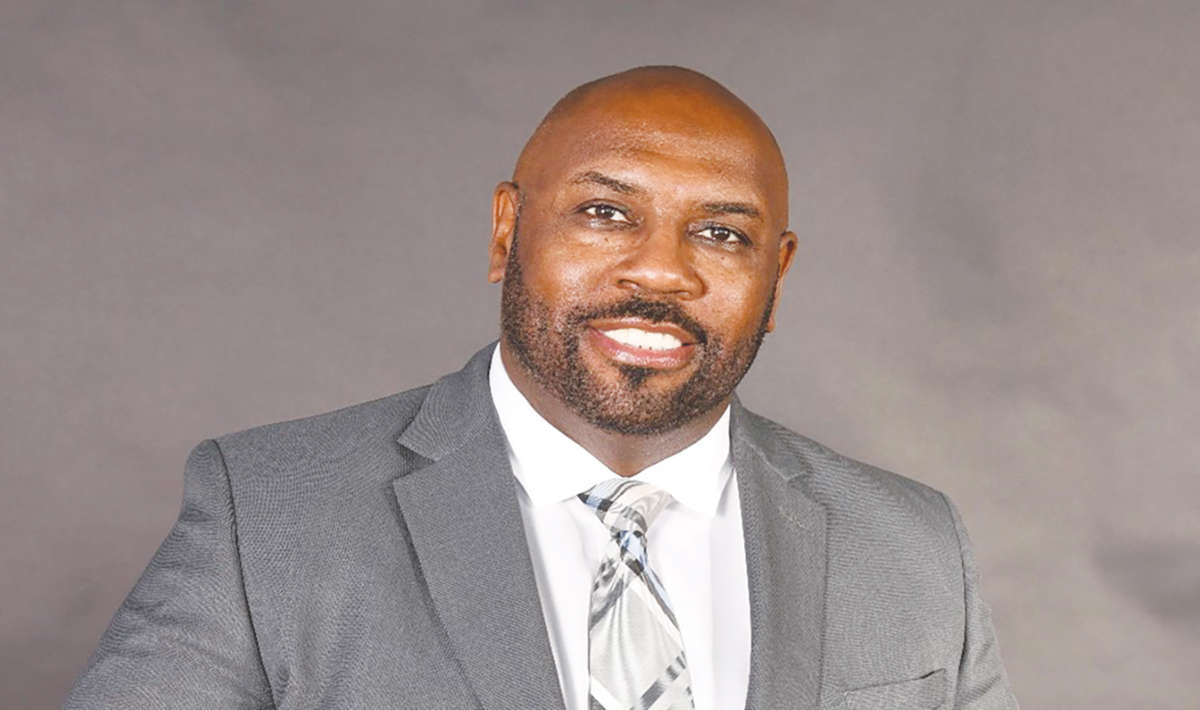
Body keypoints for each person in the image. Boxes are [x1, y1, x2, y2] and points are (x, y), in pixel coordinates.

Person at [65, 66, 1018, 709]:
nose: (662, 271)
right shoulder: (270, 513)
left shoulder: (912, 545)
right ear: (505, 232)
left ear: (778, 273)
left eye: (722, 234)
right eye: (605, 213)